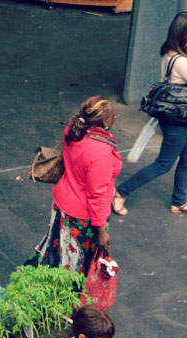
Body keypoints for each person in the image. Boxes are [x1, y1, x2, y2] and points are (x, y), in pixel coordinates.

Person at [114, 11, 187, 216]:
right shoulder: (181, 62)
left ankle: (179, 202)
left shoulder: (170, 52)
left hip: (181, 114)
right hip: (176, 118)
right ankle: (120, 192)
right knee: (163, 164)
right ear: (185, 34)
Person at [27, 96, 120, 275]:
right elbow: (96, 195)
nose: (114, 120)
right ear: (106, 121)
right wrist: (101, 230)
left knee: (58, 250)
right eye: (114, 117)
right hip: (83, 216)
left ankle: (45, 284)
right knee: (78, 261)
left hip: (62, 204)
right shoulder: (101, 152)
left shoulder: (73, 130)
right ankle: (68, 297)